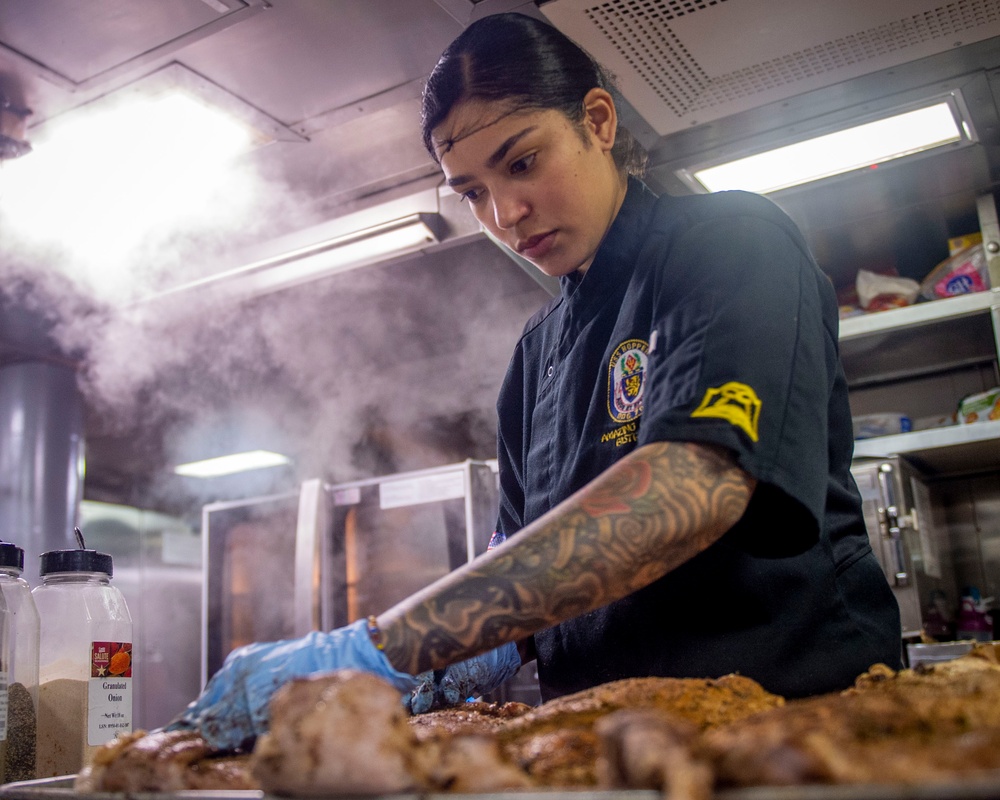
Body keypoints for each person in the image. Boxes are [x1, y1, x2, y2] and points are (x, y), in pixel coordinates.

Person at [169, 12, 902, 751]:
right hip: (607, 752)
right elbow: (522, 554)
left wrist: (381, 648)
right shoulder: (537, 353)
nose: (504, 214)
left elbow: (694, 483)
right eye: (471, 193)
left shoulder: (728, 243)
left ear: (599, 120)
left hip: (793, 727)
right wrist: (459, 658)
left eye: (521, 163)